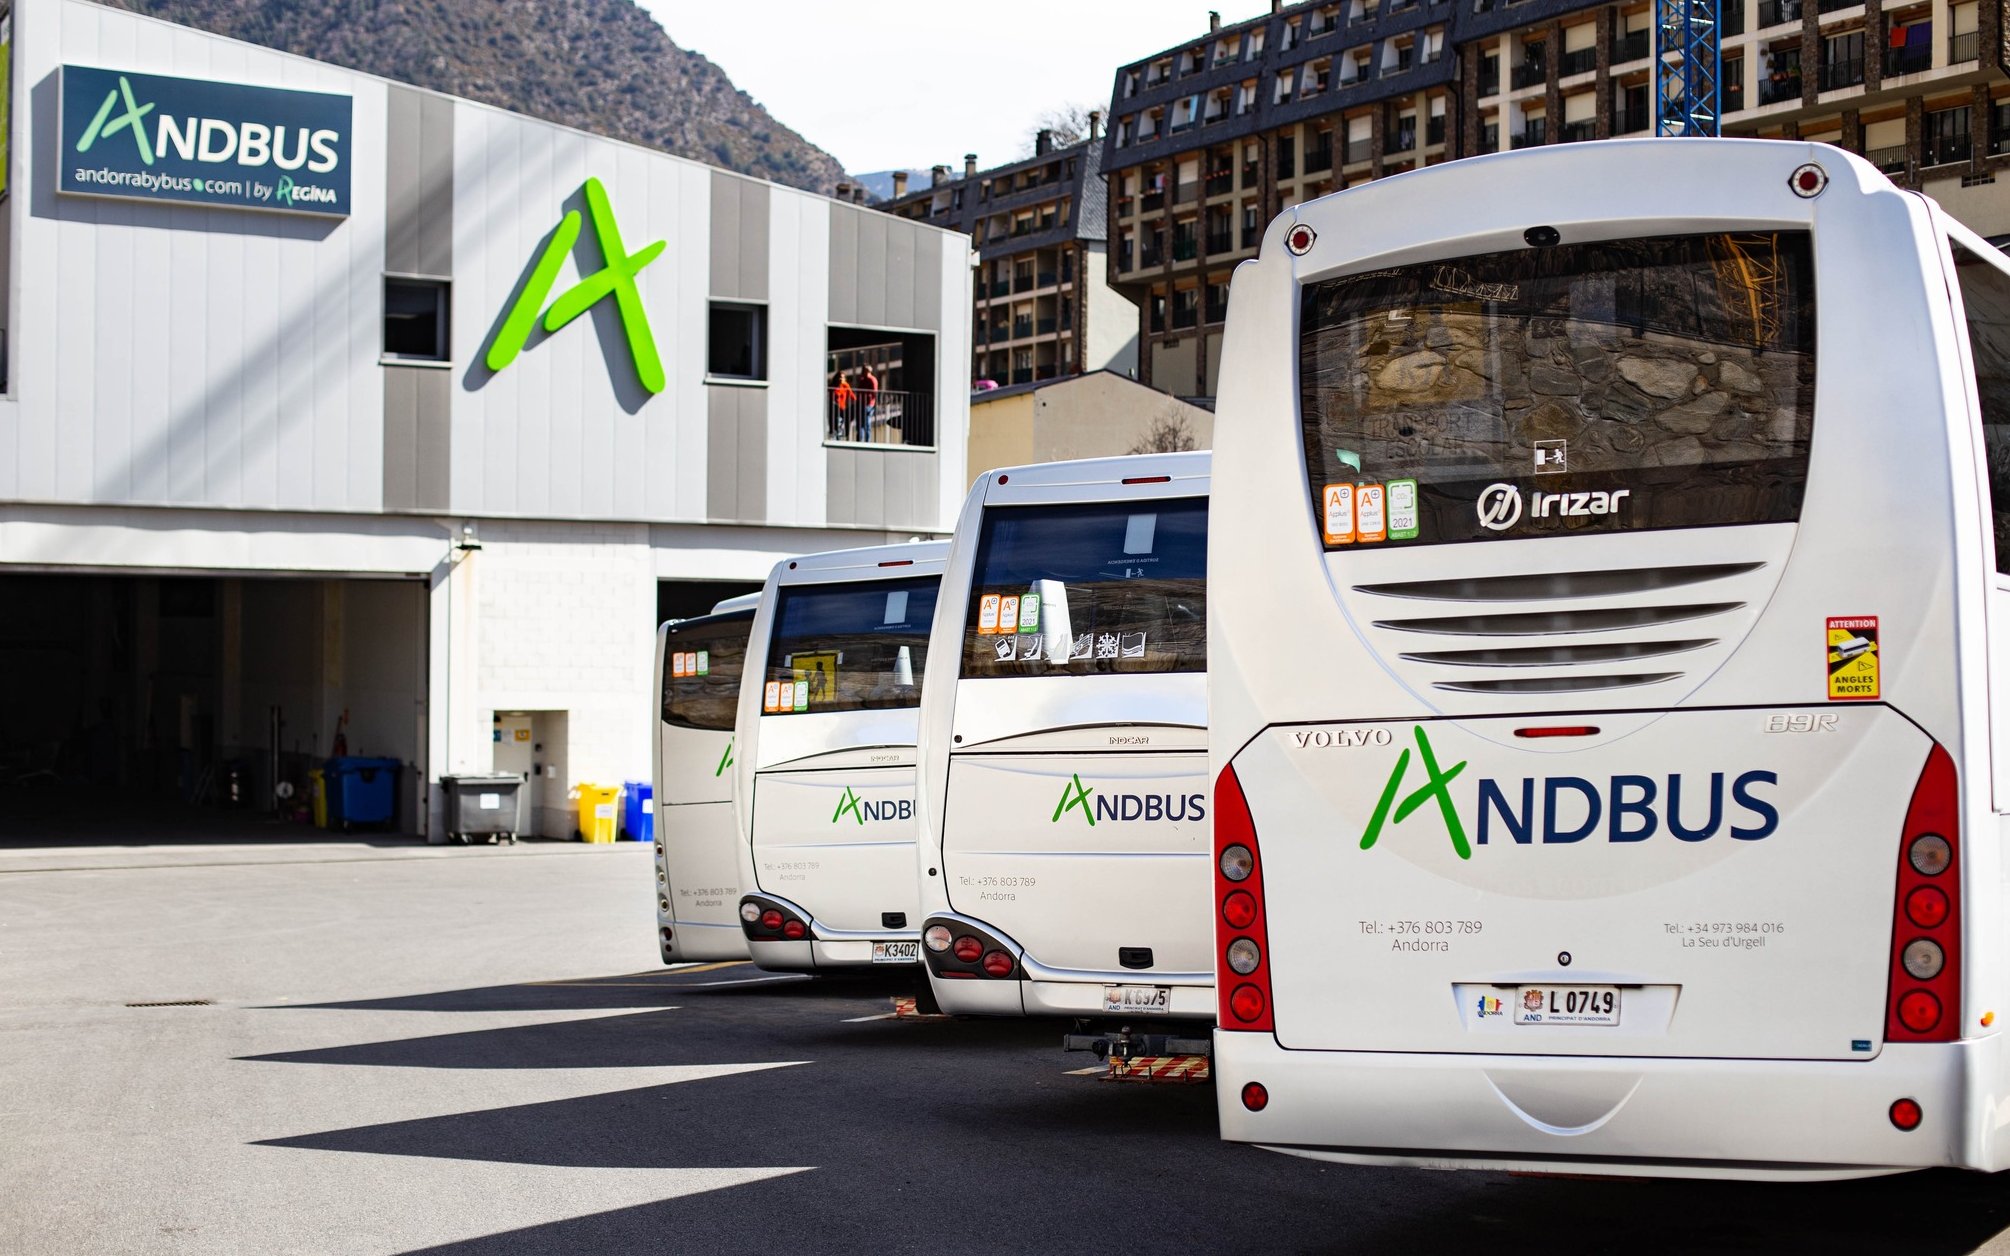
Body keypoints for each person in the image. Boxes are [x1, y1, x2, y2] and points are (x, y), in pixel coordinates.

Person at [859, 364, 881, 443]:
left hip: (868, 404)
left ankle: (867, 441)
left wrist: (875, 404)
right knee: (861, 423)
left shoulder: (872, 379)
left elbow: (875, 392)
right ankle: (860, 440)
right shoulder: (862, 379)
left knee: (867, 423)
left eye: (864, 370)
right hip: (862, 403)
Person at [833, 371, 855, 440]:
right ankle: (837, 438)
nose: (841, 379)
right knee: (838, 423)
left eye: (842, 377)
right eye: (839, 377)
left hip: (843, 408)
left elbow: (852, 396)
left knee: (842, 424)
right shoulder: (833, 386)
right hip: (835, 408)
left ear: (844, 379)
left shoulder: (845, 385)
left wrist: (854, 403)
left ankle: (841, 438)